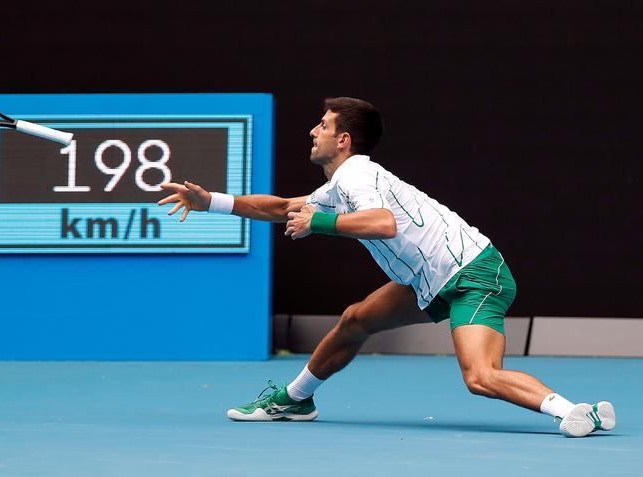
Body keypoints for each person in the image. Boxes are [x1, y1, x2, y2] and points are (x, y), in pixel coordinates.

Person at [158, 97, 615, 437]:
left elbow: (382, 223)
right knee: (356, 319)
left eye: (322, 125)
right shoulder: (340, 184)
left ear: (343, 140)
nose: (313, 131)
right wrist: (212, 202)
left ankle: (575, 412)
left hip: (472, 274)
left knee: (480, 376)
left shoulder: (358, 173)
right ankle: (295, 400)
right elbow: (281, 207)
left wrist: (319, 223)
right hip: (428, 280)